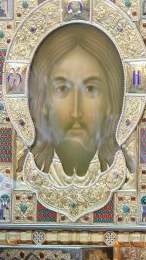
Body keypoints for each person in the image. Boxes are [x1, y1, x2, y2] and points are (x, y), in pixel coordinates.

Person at [28, 23, 125, 177]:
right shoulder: (26, 173)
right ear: (43, 101)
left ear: (110, 101)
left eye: (91, 89)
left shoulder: (129, 173)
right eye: (62, 89)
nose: (76, 112)